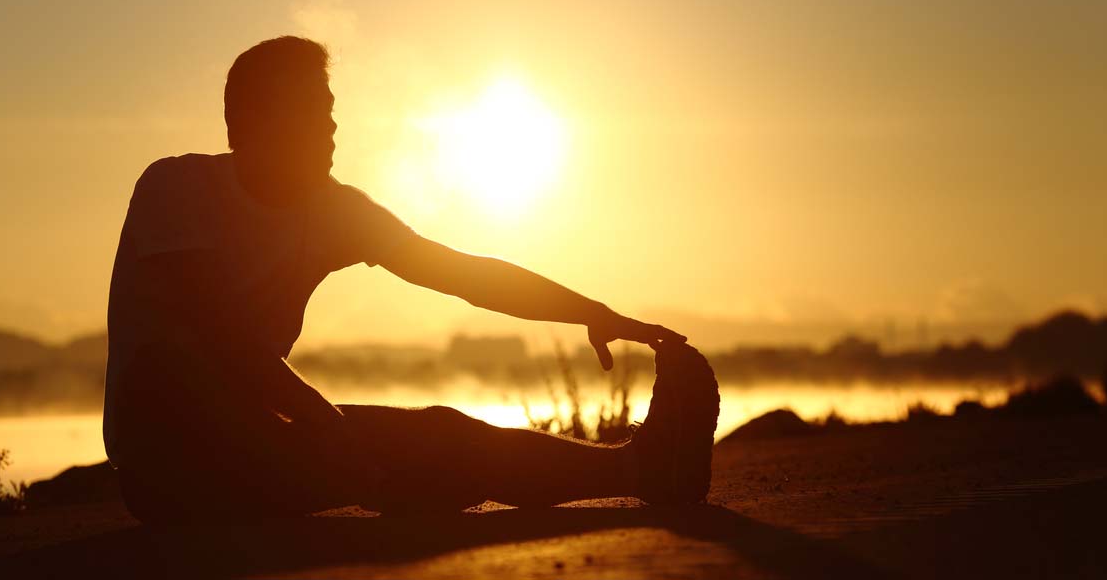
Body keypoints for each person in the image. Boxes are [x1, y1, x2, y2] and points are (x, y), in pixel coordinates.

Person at [103, 36, 719, 522]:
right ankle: (635, 471)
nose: (331, 128)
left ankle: (640, 473)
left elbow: (462, 273)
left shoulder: (334, 210)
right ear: (250, 123)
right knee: (180, 375)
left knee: (443, 435)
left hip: (265, 437)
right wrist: (328, 427)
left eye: (330, 110)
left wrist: (591, 311)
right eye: (311, 111)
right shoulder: (177, 188)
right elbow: (218, 337)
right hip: (168, 464)